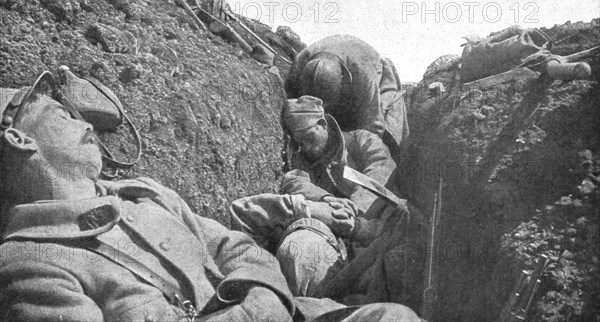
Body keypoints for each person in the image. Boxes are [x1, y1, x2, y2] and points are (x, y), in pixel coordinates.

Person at [0, 75, 420, 321]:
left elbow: (233, 246)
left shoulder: (143, 193)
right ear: (20, 140)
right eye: (61, 117)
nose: (85, 126)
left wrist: (265, 295)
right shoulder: (29, 266)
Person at [231, 96, 409, 303]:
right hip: (332, 240)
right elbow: (294, 181)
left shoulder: (362, 140)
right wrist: (326, 199)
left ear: (322, 124)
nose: (305, 148)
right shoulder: (304, 159)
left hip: (377, 232)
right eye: (299, 143)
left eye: (308, 138)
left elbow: (382, 168)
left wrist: (355, 208)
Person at [285, 35, 409, 154]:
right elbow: (289, 105)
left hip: (377, 74)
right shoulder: (300, 62)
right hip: (345, 58)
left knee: (388, 136)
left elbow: (373, 126)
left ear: (342, 79)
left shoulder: (363, 75)